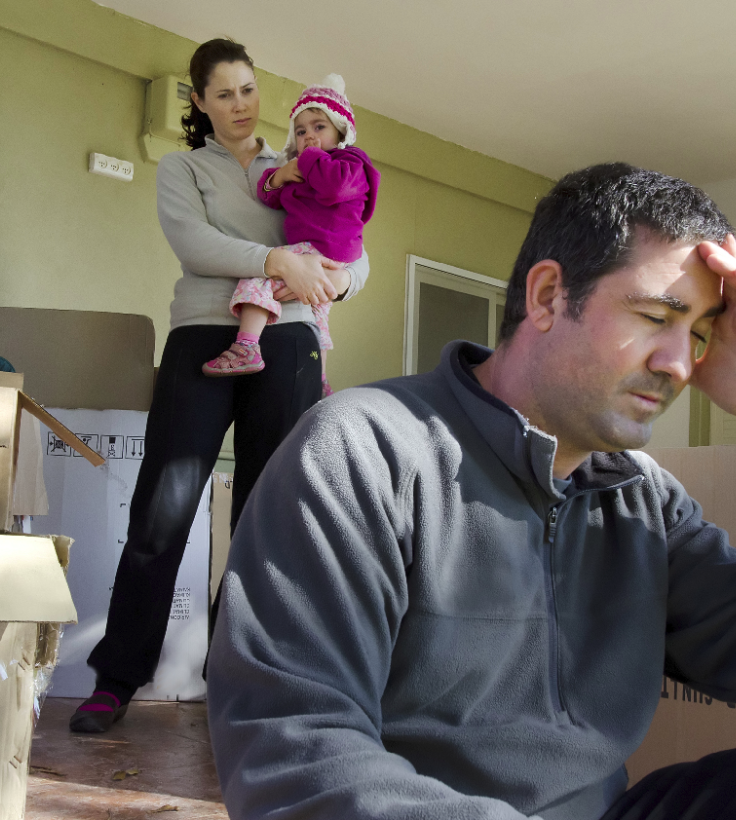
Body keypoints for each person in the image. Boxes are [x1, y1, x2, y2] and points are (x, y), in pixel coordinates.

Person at [206, 163, 736, 820]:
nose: (680, 364)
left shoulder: (645, 503)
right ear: (548, 296)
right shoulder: (361, 452)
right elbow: (293, 754)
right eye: (657, 317)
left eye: (702, 335)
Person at [68, 37, 369, 733]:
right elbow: (194, 244)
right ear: (199, 101)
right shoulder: (184, 168)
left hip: (290, 341)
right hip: (203, 336)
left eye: (249, 89)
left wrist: (338, 280)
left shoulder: (299, 157)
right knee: (163, 509)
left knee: (266, 520)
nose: (241, 105)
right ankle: (118, 676)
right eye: (225, 93)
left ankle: (235, 679)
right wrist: (277, 260)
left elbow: (354, 244)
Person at [202, 74, 380, 399]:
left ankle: (246, 346)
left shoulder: (350, 161)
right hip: (321, 251)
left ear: (341, 131)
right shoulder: (305, 170)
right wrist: (280, 176)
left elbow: (336, 187)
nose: (308, 135)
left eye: (319, 127)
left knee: (260, 273)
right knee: (317, 312)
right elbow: (271, 198)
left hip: (326, 245)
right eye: (300, 131)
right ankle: (321, 380)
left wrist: (308, 157)